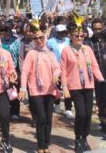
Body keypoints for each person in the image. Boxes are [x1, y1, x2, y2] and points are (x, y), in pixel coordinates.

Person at [60, 19, 104, 153]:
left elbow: (95, 67)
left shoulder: (88, 49)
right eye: (76, 35)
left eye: (81, 35)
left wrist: (102, 83)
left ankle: (84, 138)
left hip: (89, 85)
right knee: (81, 114)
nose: (79, 38)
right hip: (74, 86)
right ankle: (78, 138)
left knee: (88, 115)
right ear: (70, 37)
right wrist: (65, 87)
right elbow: (62, 70)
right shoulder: (66, 50)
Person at [19, 22, 60, 153]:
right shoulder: (31, 53)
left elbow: (58, 68)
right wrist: (23, 89)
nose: (38, 40)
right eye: (36, 38)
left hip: (50, 90)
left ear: (45, 38)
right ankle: (40, 146)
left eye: (41, 37)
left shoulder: (50, 54)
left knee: (48, 118)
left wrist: (55, 75)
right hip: (35, 91)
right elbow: (25, 72)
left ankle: (46, 143)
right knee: (41, 117)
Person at [47, 24, 72, 118]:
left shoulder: (69, 41)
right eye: (61, 33)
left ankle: (68, 108)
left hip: (67, 68)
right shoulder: (50, 42)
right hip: (55, 68)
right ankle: (57, 105)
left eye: (65, 32)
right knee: (56, 87)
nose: (63, 34)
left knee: (68, 88)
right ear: (56, 33)